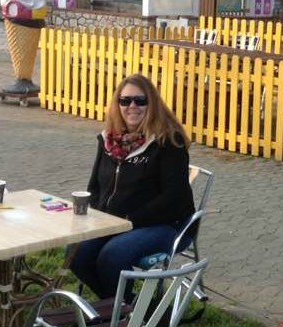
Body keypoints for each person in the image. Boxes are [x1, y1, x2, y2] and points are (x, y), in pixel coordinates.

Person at [70, 74, 195, 300]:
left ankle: (118, 317)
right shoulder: (108, 140)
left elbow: (173, 198)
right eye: (125, 101)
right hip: (116, 222)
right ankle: (125, 309)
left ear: (152, 103)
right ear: (117, 105)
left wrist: (129, 219)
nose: (132, 107)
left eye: (140, 100)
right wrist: (94, 219)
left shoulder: (168, 142)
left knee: (112, 255)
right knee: (76, 253)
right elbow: (95, 186)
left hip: (165, 224)